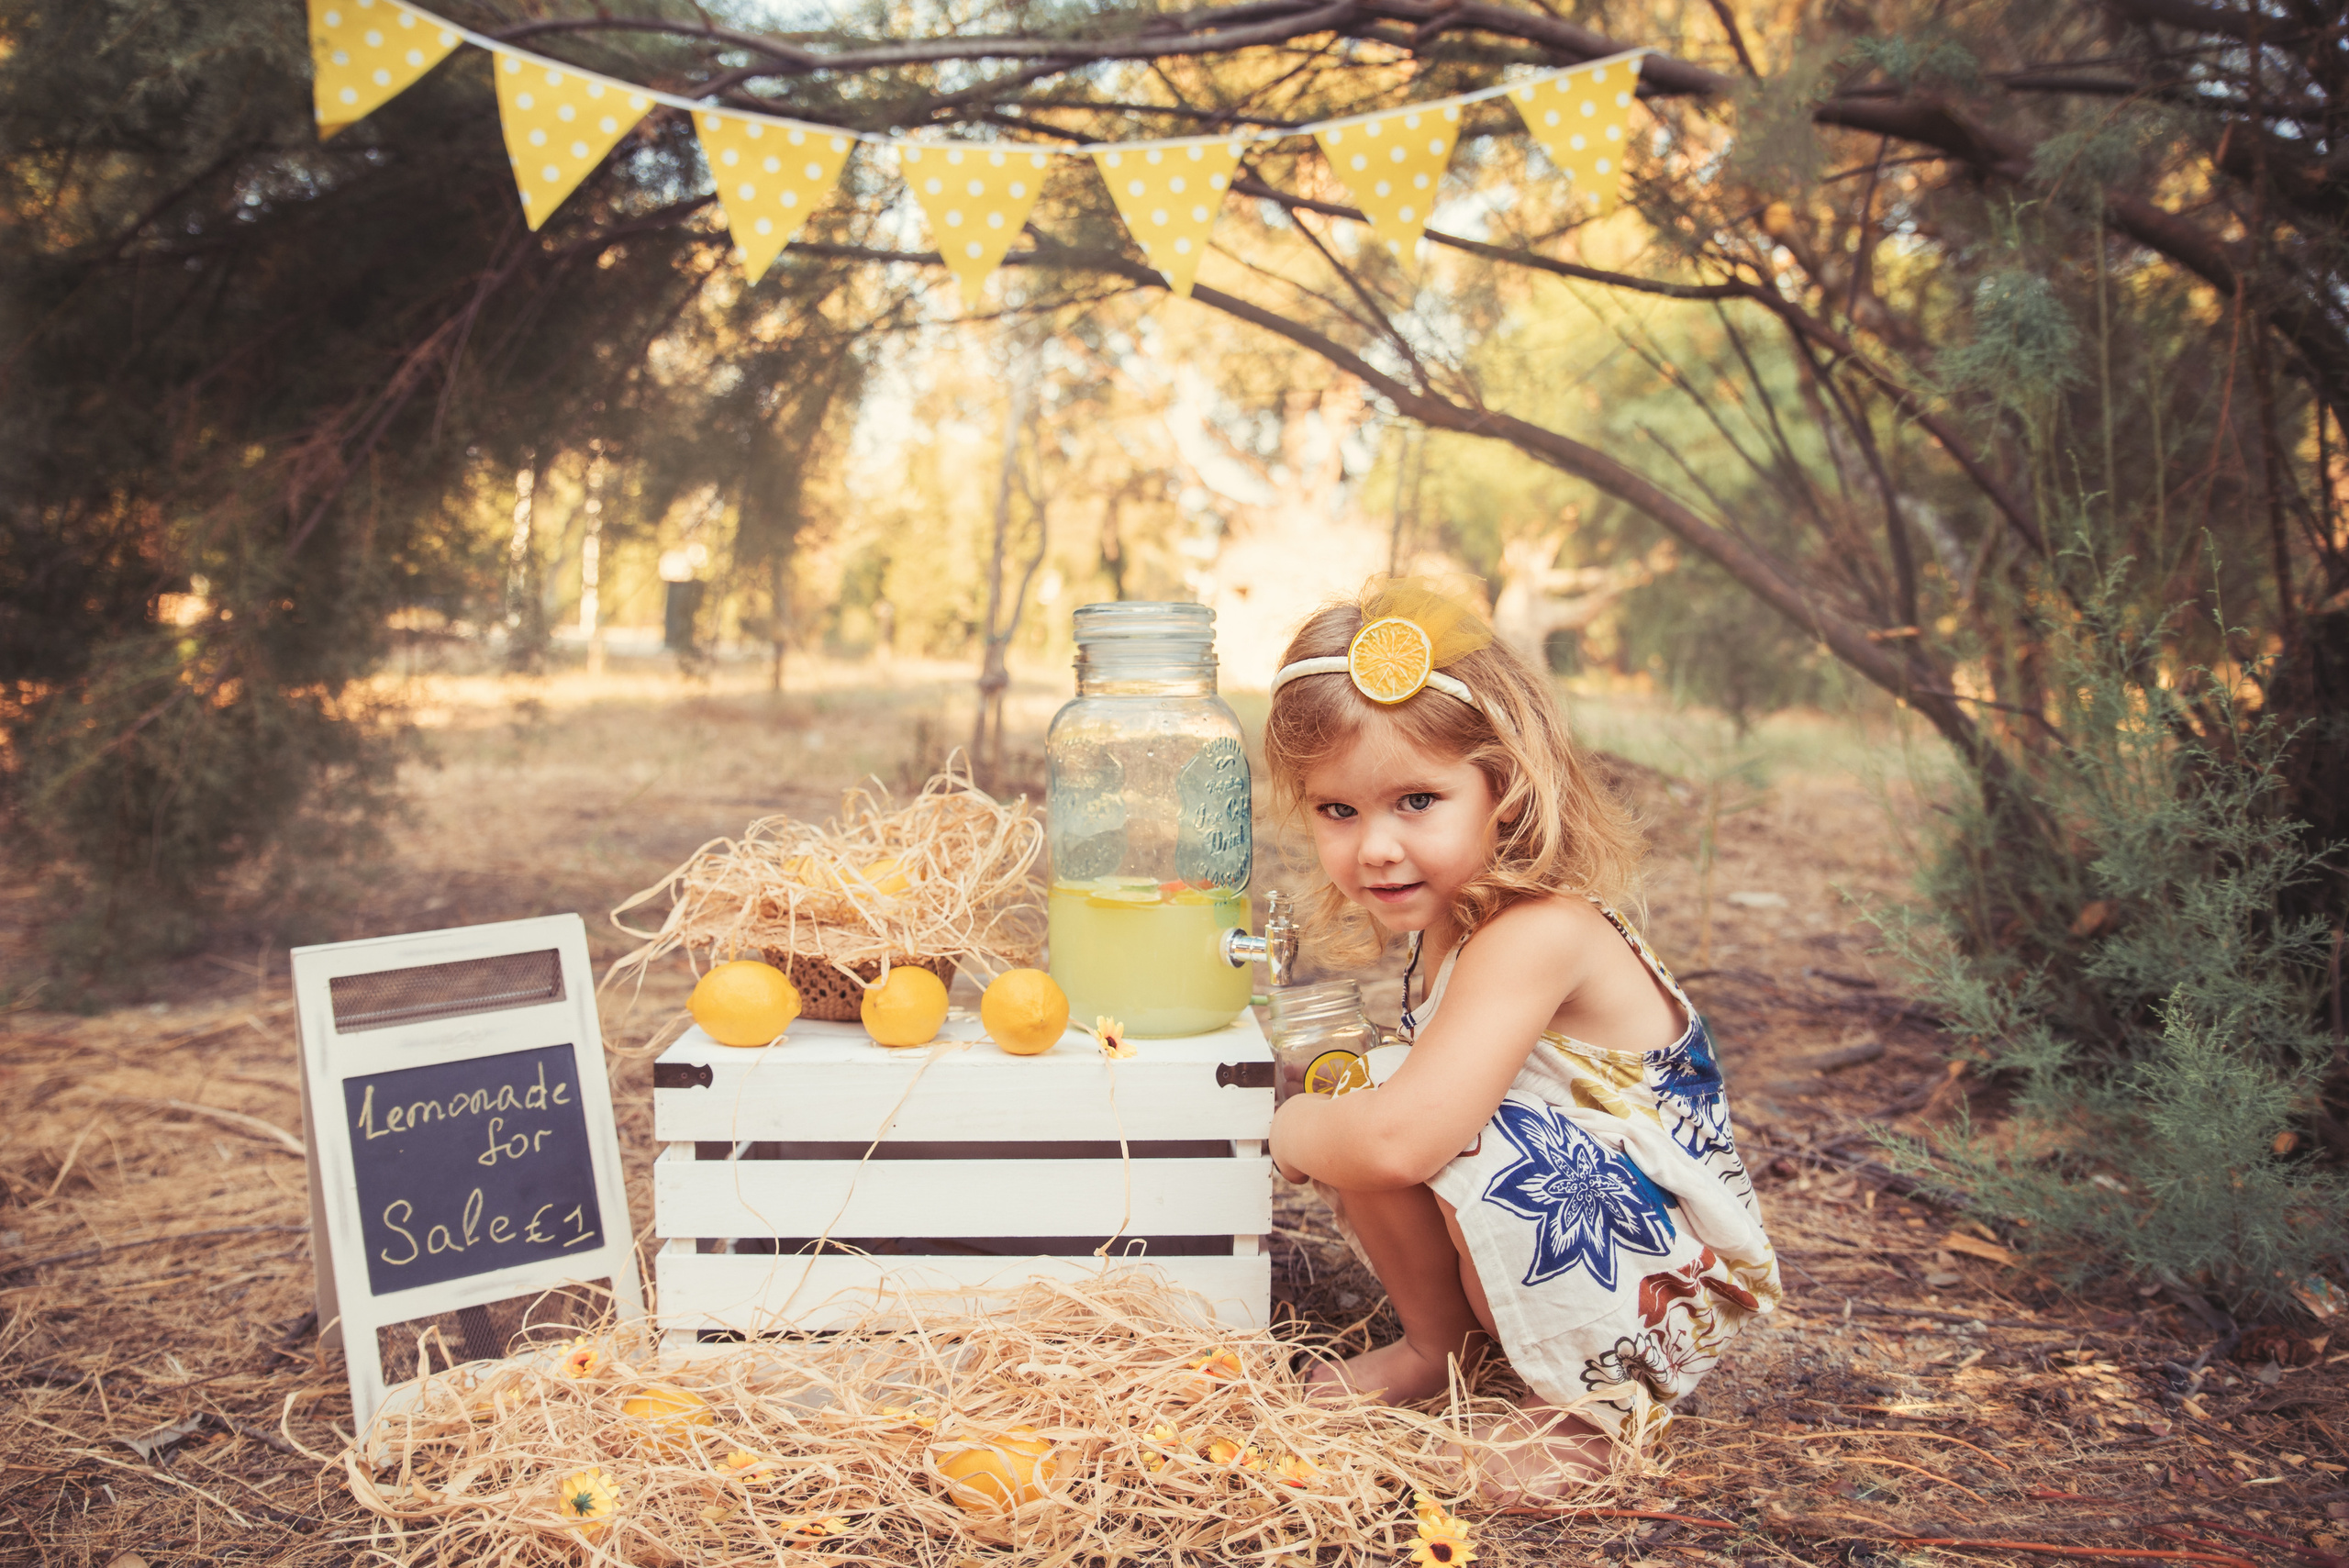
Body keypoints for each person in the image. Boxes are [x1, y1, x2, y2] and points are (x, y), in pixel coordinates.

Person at [1261, 576, 1781, 1496]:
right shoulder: (1451, 924)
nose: (1373, 845)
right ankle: (1440, 1346)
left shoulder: (1540, 929)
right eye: (1337, 810)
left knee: (1391, 1115)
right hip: (1605, 1237)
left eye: (1415, 800)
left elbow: (1401, 1140)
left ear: (1503, 788)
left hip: (1667, 1277)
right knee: (1382, 1086)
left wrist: (1295, 1128)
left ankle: (1588, 1410)